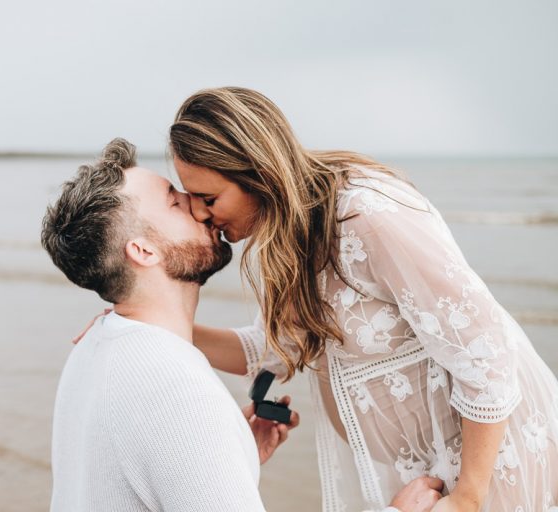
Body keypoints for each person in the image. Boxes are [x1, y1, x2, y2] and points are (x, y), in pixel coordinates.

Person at [167, 87, 558, 511]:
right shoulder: (291, 237)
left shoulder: (364, 217)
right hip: (425, 474)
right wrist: (154, 325)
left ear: (259, 174)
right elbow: (269, 350)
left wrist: (468, 497)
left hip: (487, 467)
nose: (202, 214)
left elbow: (484, 349)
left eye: (209, 199)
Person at [45, 138, 443, 512]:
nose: (197, 206)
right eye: (174, 202)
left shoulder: (95, 348)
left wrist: (233, 460)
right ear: (144, 250)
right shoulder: (178, 388)